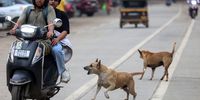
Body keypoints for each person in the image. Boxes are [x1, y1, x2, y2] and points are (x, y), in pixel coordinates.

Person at [49, 0, 71, 83]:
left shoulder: (62, 14)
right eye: (50, 0)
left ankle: (63, 71)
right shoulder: (41, 12)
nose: (52, 2)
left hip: (54, 39)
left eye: (55, 0)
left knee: (57, 50)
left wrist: (57, 39)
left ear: (58, 3)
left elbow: (65, 31)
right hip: (39, 39)